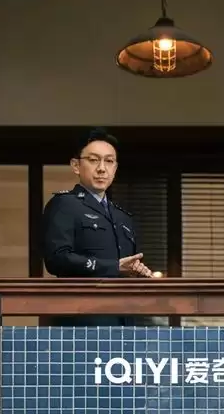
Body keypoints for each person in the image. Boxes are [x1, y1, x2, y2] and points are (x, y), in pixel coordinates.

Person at [42, 127, 152, 326]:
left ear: (115, 168)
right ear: (76, 166)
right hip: (83, 318)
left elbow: (124, 267)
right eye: (93, 160)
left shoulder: (122, 217)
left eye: (109, 161)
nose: (102, 168)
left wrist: (136, 270)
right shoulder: (65, 204)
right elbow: (57, 259)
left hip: (124, 318)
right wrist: (114, 267)